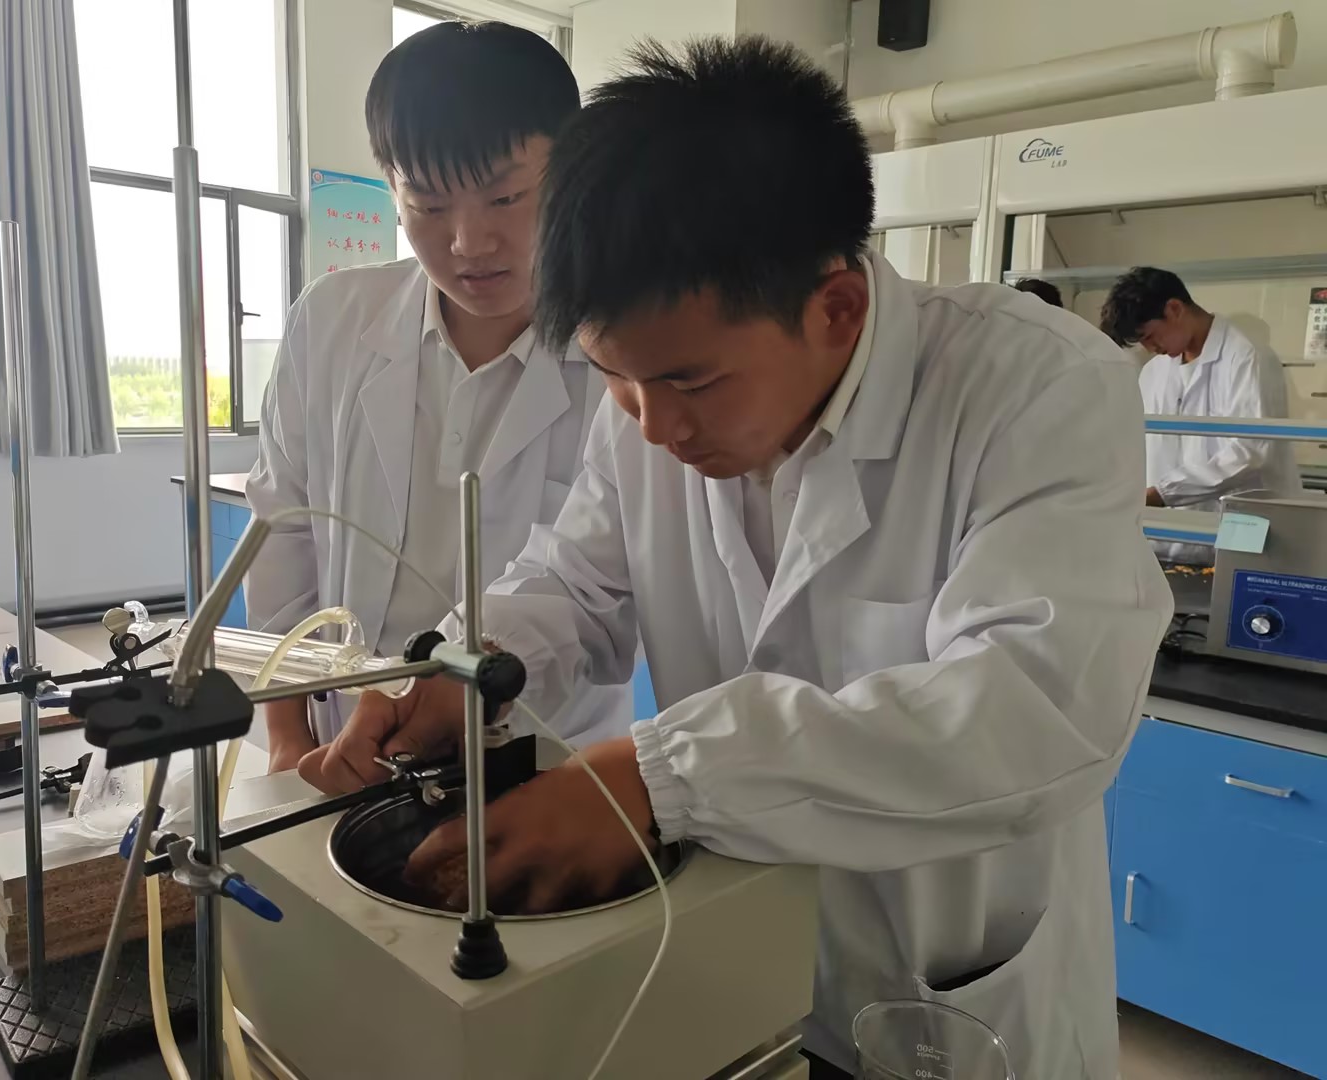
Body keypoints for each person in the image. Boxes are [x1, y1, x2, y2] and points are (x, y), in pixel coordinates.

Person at [302, 37, 1173, 1079]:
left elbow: (1036, 709)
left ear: (837, 308)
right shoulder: (650, 399)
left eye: (691, 383)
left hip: (946, 986)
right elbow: (574, 583)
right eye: (613, 379)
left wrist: (659, 778)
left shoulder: (1033, 389)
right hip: (736, 970)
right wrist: (470, 667)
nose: (651, 426)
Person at [245, 21, 630, 773]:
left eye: (505, 197)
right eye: (427, 205)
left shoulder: (623, 356)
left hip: (540, 765)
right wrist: (290, 739)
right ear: (391, 190)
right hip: (338, 746)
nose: (468, 243)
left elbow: (595, 595)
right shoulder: (332, 321)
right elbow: (282, 537)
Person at [1101, 266, 1302, 511]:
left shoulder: (1247, 357)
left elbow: (1250, 452)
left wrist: (1162, 494)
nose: (1150, 348)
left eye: (1150, 336)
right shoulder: (1154, 371)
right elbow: (1146, 446)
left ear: (1174, 309)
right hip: (1175, 524)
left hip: (1242, 520)